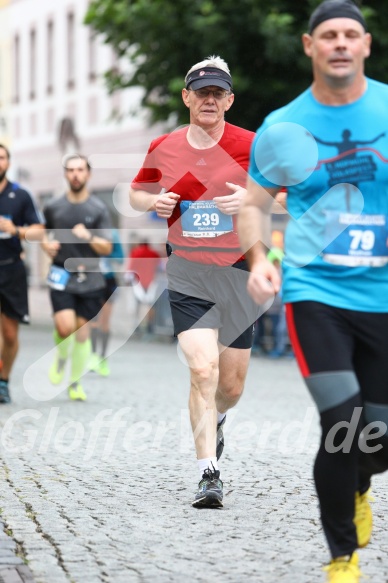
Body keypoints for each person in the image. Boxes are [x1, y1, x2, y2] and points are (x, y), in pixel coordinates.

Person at [238, 1, 388, 581]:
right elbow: (253, 205)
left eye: (352, 34)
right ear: (310, 46)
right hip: (317, 291)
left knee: (378, 434)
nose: (341, 44)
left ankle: (360, 483)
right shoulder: (282, 126)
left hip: (383, 294)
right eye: (329, 35)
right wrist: (259, 260)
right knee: (342, 420)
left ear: (367, 45)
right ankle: (343, 558)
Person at [130, 55, 260, 508]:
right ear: (186, 97)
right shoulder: (165, 146)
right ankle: (209, 474)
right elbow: (137, 191)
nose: (209, 99)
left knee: (230, 387)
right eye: (200, 92)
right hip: (188, 273)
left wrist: (252, 200)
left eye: (217, 92)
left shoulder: (251, 145)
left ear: (229, 100)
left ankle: (218, 419)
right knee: (201, 370)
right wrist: (157, 200)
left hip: (238, 275)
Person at [42, 154, 112, 401]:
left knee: (81, 334)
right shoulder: (53, 207)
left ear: (88, 174)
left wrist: (87, 237)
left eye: (80, 170)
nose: (75, 174)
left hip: (91, 277)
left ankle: (74, 383)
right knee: (64, 327)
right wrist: (46, 245)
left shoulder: (98, 209)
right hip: (61, 273)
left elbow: (106, 247)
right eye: (70, 170)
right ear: (65, 174)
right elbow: (44, 233)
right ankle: (61, 359)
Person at [0, 144, 44, 403]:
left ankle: (4, 380)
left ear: (8, 162)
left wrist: (16, 229)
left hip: (11, 269)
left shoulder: (21, 194)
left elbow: (39, 231)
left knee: (10, 334)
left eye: (2, 157)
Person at [89, 228, 124, 376]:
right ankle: (93, 355)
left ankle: (103, 358)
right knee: (92, 321)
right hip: (91, 279)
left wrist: (106, 251)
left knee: (104, 322)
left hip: (108, 280)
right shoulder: (87, 231)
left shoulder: (112, 233)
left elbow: (121, 257)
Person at [124, 239, 161, 338]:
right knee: (150, 304)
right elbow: (159, 266)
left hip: (138, 281)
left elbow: (130, 268)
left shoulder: (135, 252)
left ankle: (137, 325)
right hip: (151, 280)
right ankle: (149, 325)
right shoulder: (154, 253)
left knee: (137, 304)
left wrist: (127, 280)